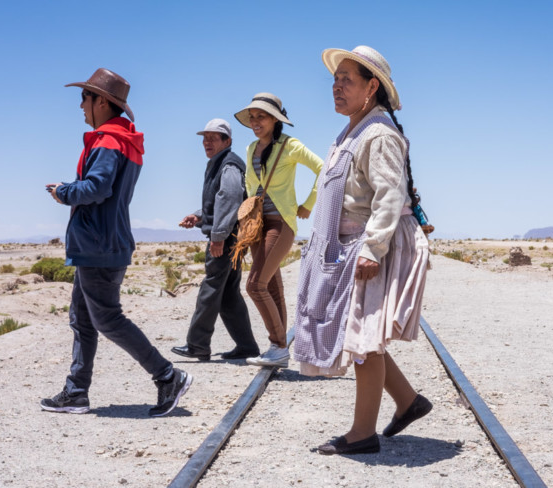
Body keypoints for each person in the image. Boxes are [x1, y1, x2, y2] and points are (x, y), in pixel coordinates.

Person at [293, 46, 432, 455]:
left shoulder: (379, 134)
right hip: (349, 246)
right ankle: (408, 401)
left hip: (370, 247)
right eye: (335, 80)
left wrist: (372, 249)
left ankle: (362, 434)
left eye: (346, 80)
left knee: (362, 339)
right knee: (362, 333)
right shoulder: (353, 132)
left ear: (371, 87)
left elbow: (390, 195)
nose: (336, 87)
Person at [41, 68, 192, 417]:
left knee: (107, 319)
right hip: (101, 241)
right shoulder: (122, 139)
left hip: (99, 244)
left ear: (102, 102)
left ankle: (168, 376)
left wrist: (64, 192)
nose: (80, 105)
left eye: (84, 97)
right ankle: (76, 392)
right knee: (82, 319)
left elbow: (98, 187)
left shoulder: (109, 140)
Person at [232, 93, 323, 367]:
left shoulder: (290, 145)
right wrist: (246, 221)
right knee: (271, 286)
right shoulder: (250, 148)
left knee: (254, 285)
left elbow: (323, 169)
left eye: (261, 116)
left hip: (281, 224)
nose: (255, 122)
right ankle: (278, 349)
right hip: (257, 226)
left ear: (275, 119)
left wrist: (308, 204)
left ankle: (279, 345)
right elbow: (251, 187)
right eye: (252, 117)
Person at [172, 118, 260, 362]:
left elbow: (230, 199)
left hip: (226, 239)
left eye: (213, 138)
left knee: (210, 289)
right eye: (205, 138)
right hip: (232, 238)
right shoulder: (221, 164)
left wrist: (218, 236)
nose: (206, 142)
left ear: (227, 141)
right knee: (229, 294)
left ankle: (197, 345)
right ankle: (247, 346)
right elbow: (219, 201)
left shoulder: (228, 165)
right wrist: (198, 216)